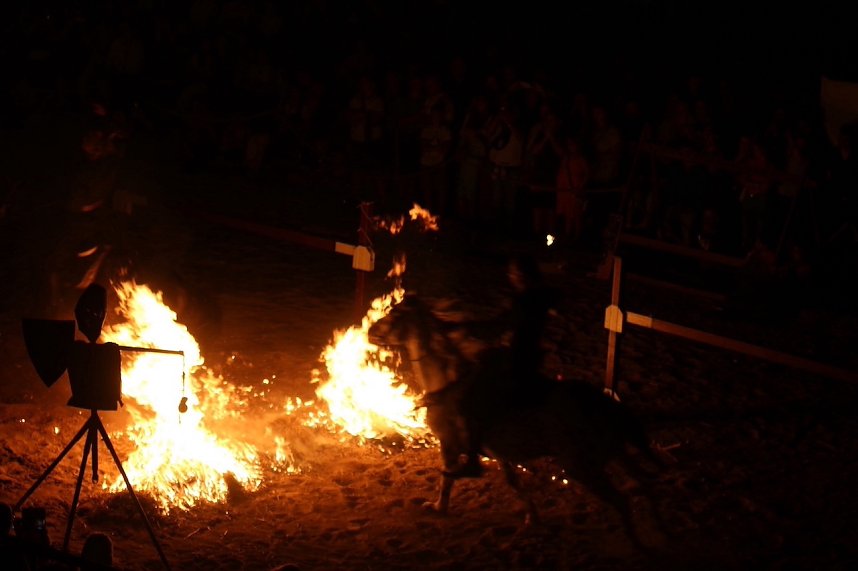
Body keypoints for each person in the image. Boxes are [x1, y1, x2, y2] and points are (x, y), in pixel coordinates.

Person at [444, 254, 558, 479]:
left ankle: (473, 461)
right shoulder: (542, 296)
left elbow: (500, 326)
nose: (510, 278)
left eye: (513, 274)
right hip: (532, 355)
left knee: (469, 400)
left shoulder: (524, 300)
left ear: (521, 276)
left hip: (517, 358)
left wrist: (469, 328)